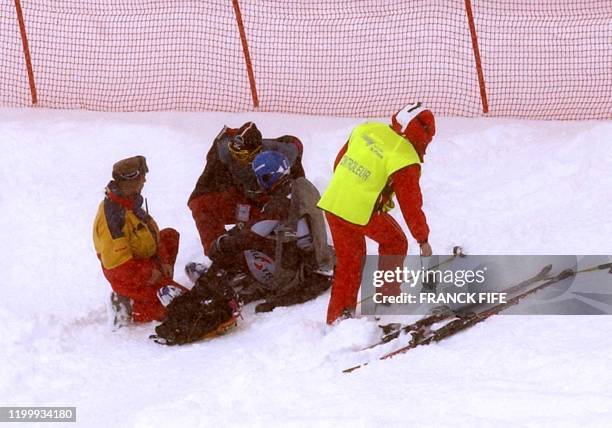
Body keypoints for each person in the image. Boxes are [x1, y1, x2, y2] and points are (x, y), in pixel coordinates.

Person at [317, 102, 435, 325]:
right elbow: (410, 204)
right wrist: (422, 239)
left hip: (334, 201)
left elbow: (340, 162)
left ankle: (338, 317)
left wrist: (351, 187)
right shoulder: (404, 156)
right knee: (396, 242)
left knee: (350, 260)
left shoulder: (368, 128)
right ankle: (388, 300)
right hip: (360, 210)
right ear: (424, 135)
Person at [202, 150, 335, 313]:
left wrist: (222, 244)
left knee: (240, 250)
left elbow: (251, 235)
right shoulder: (300, 186)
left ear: (268, 177)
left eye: (261, 178)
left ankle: (214, 284)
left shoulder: (279, 204)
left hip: (294, 269)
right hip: (312, 256)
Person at [187, 122, 305, 256]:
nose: (236, 158)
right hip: (243, 197)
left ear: (258, 152)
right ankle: (219, 254)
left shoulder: (279, 155)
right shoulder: (223, 153)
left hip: (266, 203)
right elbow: (203, 191)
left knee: (269, 222)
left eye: (242, 156)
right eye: (234, 152)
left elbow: (295, 147)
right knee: (200, 204)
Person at [93, 155, 183, 324]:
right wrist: (150, 273)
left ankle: (160, 288)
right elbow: (119, 267)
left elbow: (154, 236)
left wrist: (163, 261)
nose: (145, 181)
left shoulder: (129, 201)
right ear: (131, 180)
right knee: (180, 308)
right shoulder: (112, 217)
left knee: (169, 236)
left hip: (142, 263)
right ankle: (133, 305)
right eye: (142, 176)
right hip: (127, 275)